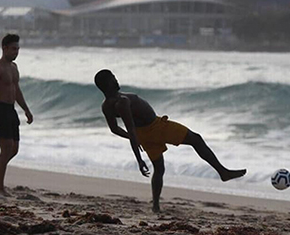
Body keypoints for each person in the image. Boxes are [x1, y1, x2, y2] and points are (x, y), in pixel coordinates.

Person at [94, 69, 246, 213]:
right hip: (157, 127)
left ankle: (155, 205)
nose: (116, 79)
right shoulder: (122, 101)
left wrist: (135, 138)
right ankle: (223, 172)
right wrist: (139, 159)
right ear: (108, 84)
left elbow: (115, 129)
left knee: (159, 169)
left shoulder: (106, 106)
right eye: (113, 78)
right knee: (196, 139)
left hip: (144, 134)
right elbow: (131, 129)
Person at [0, 34, 34, 197]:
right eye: (13, 49)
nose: (16, 52)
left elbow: (16, 90)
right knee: (6, 149)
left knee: (14, 149)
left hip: (11, 110)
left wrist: (26, 109)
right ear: (4, 48)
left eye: (18, 49)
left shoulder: (14, 67)